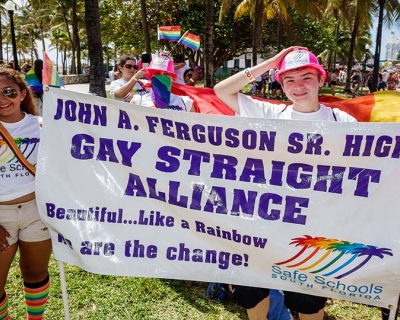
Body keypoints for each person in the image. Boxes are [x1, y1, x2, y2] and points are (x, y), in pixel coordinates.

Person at [214, 47, 356, 320]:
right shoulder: (269, 113)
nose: (298, 86)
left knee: (307, 299)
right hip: (264, 221)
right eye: (289, 79)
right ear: (280, 83)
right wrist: (270, 62)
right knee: (252, 288)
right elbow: (222, 91)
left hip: (313, 228)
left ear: (321, 79)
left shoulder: (342, 121)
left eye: (307, 77)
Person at [0, 68, 52, 320]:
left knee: (35, 272)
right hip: (0, 216)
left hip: (37, 211)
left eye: (8, 91)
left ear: (22, 93)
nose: (2, 99)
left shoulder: (45, 126)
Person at [130, 55, 195, 112]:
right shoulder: (137, 102)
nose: (161, 77)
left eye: (166, 73)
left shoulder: (186, 103)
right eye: (157, 73)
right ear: (151, 77)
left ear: (172, 78)